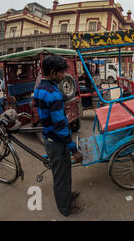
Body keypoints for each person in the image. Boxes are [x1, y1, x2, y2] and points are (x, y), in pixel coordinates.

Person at [34, 55, 83, 217]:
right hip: (57, 141)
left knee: (63, 172)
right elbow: (61, 127)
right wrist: (73, 149)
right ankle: (65, 208)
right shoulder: (53, 94)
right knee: (61, 176)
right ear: (53, 72)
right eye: (61, 73)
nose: (64, 76)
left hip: (49, 137)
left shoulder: (40, 87)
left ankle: (66, 196)